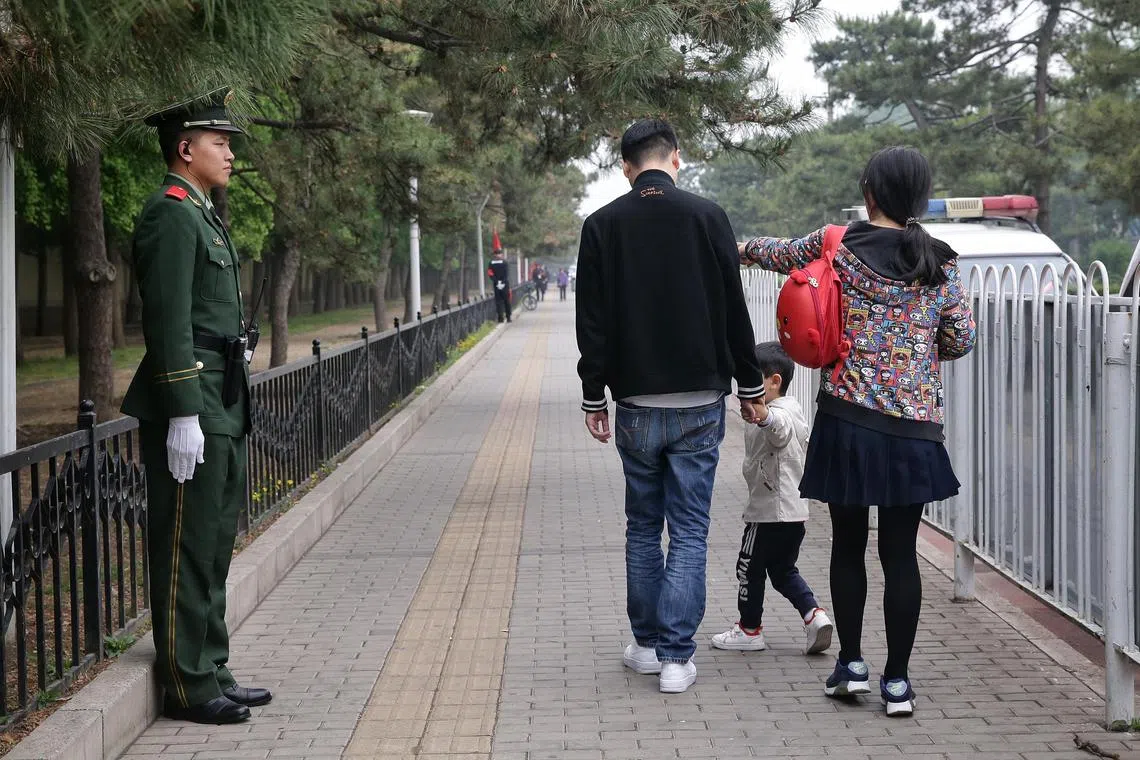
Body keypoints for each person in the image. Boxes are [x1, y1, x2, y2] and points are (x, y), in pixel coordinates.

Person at [739, 146, 976, 717]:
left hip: (848, 420)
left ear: (869, 192)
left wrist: (736, 245)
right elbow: (960, 340)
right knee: (900, 554)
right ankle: (898, 682)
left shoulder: (837, 246)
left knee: (847, 545)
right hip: (914, 429)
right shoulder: (940, 262)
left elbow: (774, 254)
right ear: (918, 197)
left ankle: (852, 666)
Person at [576, 119, 766, 694]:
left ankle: (645, 645)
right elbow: (733, 308)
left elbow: (593, 322)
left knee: (641, 526)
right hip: (701, 401)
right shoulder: (707, 217)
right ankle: (678, 660)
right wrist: (751, 387)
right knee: (688, 528)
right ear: (675, 160)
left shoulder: (602, 225)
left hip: (634, 401)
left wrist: (594, 395)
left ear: (627, 167)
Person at [120, 88, 272, 725]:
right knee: (185, 543)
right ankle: (186, 684)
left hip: (222, 398)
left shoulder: (202, 212)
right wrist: (182, 408)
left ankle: (212, 664)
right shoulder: (171, 213)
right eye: (219, 142)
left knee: (212, 542)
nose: (231, 153)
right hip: (195, 399)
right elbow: (169, 320)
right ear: (185, 149)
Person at [711, 342, 833, 656]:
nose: (744, 389)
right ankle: (814, 616)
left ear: (774, 382)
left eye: (753, 381)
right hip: (794, 513)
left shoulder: (778, 413)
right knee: (782, 570)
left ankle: (749, 629)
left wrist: (763, 416)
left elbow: (779, 431)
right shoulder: (794, 407)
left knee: (747, 566)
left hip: (768, 513)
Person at [487, 247, 512, 323]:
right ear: (501, 254)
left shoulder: (491, 263)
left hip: (496, 285)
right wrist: (502, 282)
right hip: (505, 284)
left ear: (494, 255)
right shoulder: (505, 262)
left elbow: (490, 273)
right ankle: (508, 317)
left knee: (498, 301)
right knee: (506, 301)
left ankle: (500, 318)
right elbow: (506, 274)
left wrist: (496, 281)